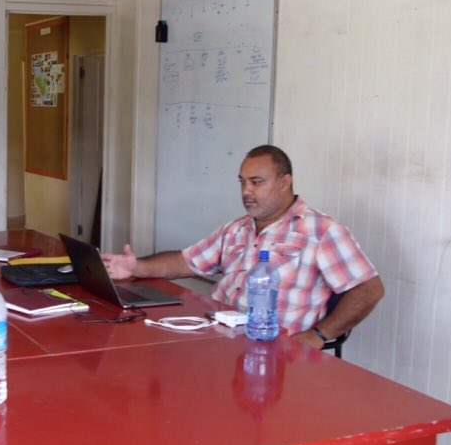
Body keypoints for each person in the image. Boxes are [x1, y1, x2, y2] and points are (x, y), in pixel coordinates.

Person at [102, 145, 383, 349]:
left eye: (256, 183)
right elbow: (186, 261)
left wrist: (319, 335)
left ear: (285, 182)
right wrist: (136, 266)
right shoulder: (238, 228)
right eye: (242, 182)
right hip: (217, 337)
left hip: (274, 348)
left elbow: (369, 289)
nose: (246, 191)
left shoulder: (321, 231)